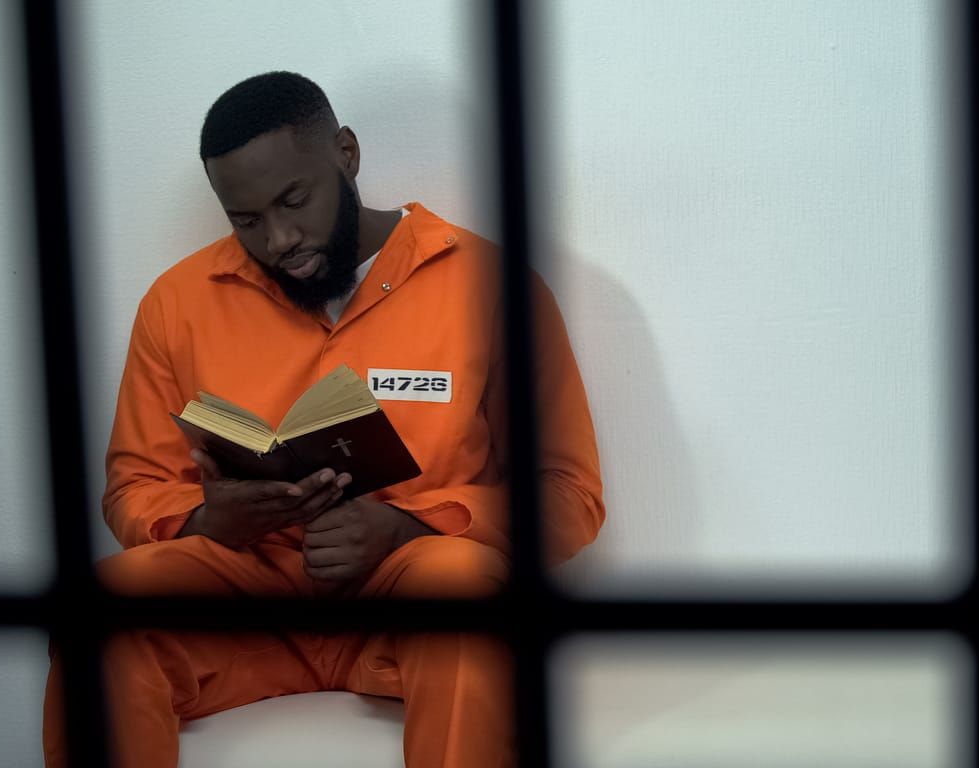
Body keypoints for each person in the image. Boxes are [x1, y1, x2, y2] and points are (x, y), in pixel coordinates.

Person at [41, 71, 605, 768]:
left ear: (346, 153)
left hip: (413, 593)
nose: (279, 238)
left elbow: (570, 496)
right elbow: (134, 487)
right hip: (250, 599)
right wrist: (207, 521)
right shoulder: (177, 302)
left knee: (463, 591)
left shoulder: (489, 284)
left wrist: (408, 525)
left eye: (294, 200)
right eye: (245, 220)